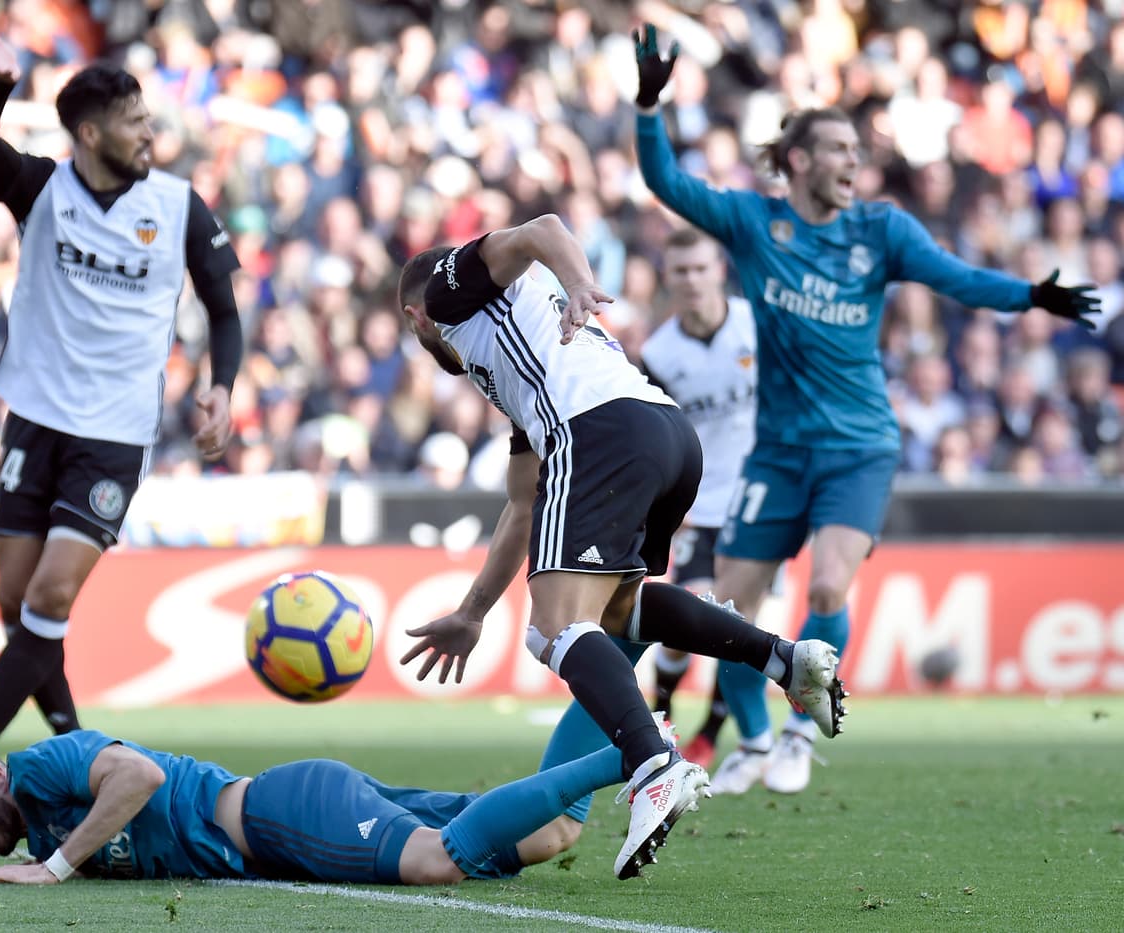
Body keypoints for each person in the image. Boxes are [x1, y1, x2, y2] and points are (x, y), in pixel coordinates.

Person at [632, 24, 1099, 796]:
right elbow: (666, 185)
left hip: (858, 444)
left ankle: (795, 734)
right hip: (777, 451)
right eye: (840, 149)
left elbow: (955, 279)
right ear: (800, 160)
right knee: (730, 610)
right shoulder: (756, 224)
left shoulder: (880, 230)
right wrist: (650, 106)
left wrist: (1031, 295)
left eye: (856, 149)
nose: (854, 161)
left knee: (825, 589)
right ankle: (750, 737)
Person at [394, 213, 846, 879]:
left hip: (601, 430)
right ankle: (782, 658)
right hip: (666, 433)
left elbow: (539, 228)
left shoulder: (447, 294)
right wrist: (472, 611)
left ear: (414, 317)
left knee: (553, 628)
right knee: (615, 614)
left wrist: (579, 282)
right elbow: (523, 506)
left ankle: (653, 762)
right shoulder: (517, 361)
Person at [0, 24, 243, 809]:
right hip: (36, 419)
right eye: (133, 120)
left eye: (148, 117)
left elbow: (223, 308)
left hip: (113, 435)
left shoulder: (179, 206)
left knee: (47, 601)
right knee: (16, 604)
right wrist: (2, 81)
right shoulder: (42, 188)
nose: (150, 131)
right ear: (89, 133)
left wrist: (222, 384)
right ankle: (82, 759)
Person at [0, 728, 616, 885]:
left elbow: (136, 775)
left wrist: (55, 868)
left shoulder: (38, 766)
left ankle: (637, 753)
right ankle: (615, 652)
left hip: (281, 813)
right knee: (549, 835)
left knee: (440, 863)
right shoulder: (38, 821)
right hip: (294, 821)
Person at [638, 227, 757, 770]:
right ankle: (661, 710)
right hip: (699, 507)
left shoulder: (755, 326)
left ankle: (709, 732)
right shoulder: (659, 353)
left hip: (758, 499)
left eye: (700, 268)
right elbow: (657, 433)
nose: (691, 280)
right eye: (680, 270)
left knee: (739, 622)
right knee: (692, 624)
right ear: (668, 276)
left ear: (720, 270)